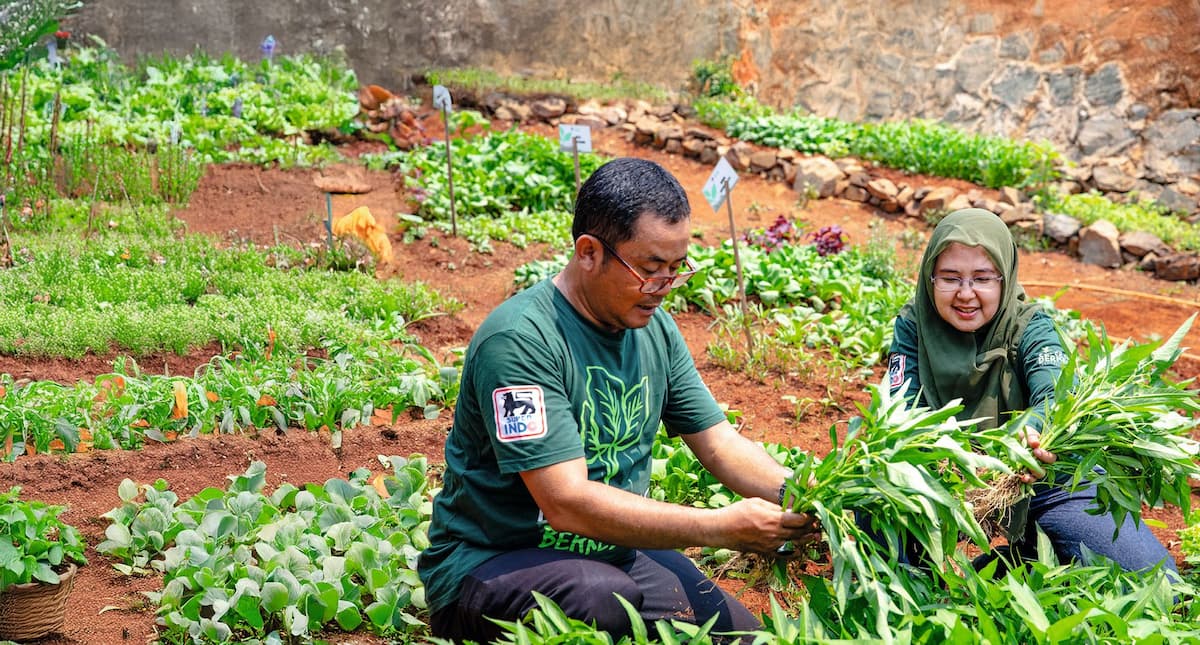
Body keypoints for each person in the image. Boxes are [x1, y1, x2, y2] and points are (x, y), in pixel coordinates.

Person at [417, 157, 821, 643]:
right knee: (600, 601)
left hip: (609, 551)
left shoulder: (656, 330)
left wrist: (804, 492)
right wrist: (718, 527)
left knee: (744, 639)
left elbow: (719, 445)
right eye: (650, 269)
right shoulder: (520, 340)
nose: (664, 289)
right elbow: (565, 502)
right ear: (589, 252)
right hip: (492, 565)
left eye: (676, 269)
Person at [885, 207, 1176, 575]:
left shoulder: (1030, 328)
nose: (966, 294)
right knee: (879, 506)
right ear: (930, 279)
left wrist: (1027, 436)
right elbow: (900, 406)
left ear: (1004, 279)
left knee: (1153, 578)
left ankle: (1020, 560)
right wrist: (946, 460)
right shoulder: (914, 325)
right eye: (950, 278)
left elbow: (1056, 396)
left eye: (982, 278)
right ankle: (912, 575)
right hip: (942, 478)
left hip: (1037, 476)